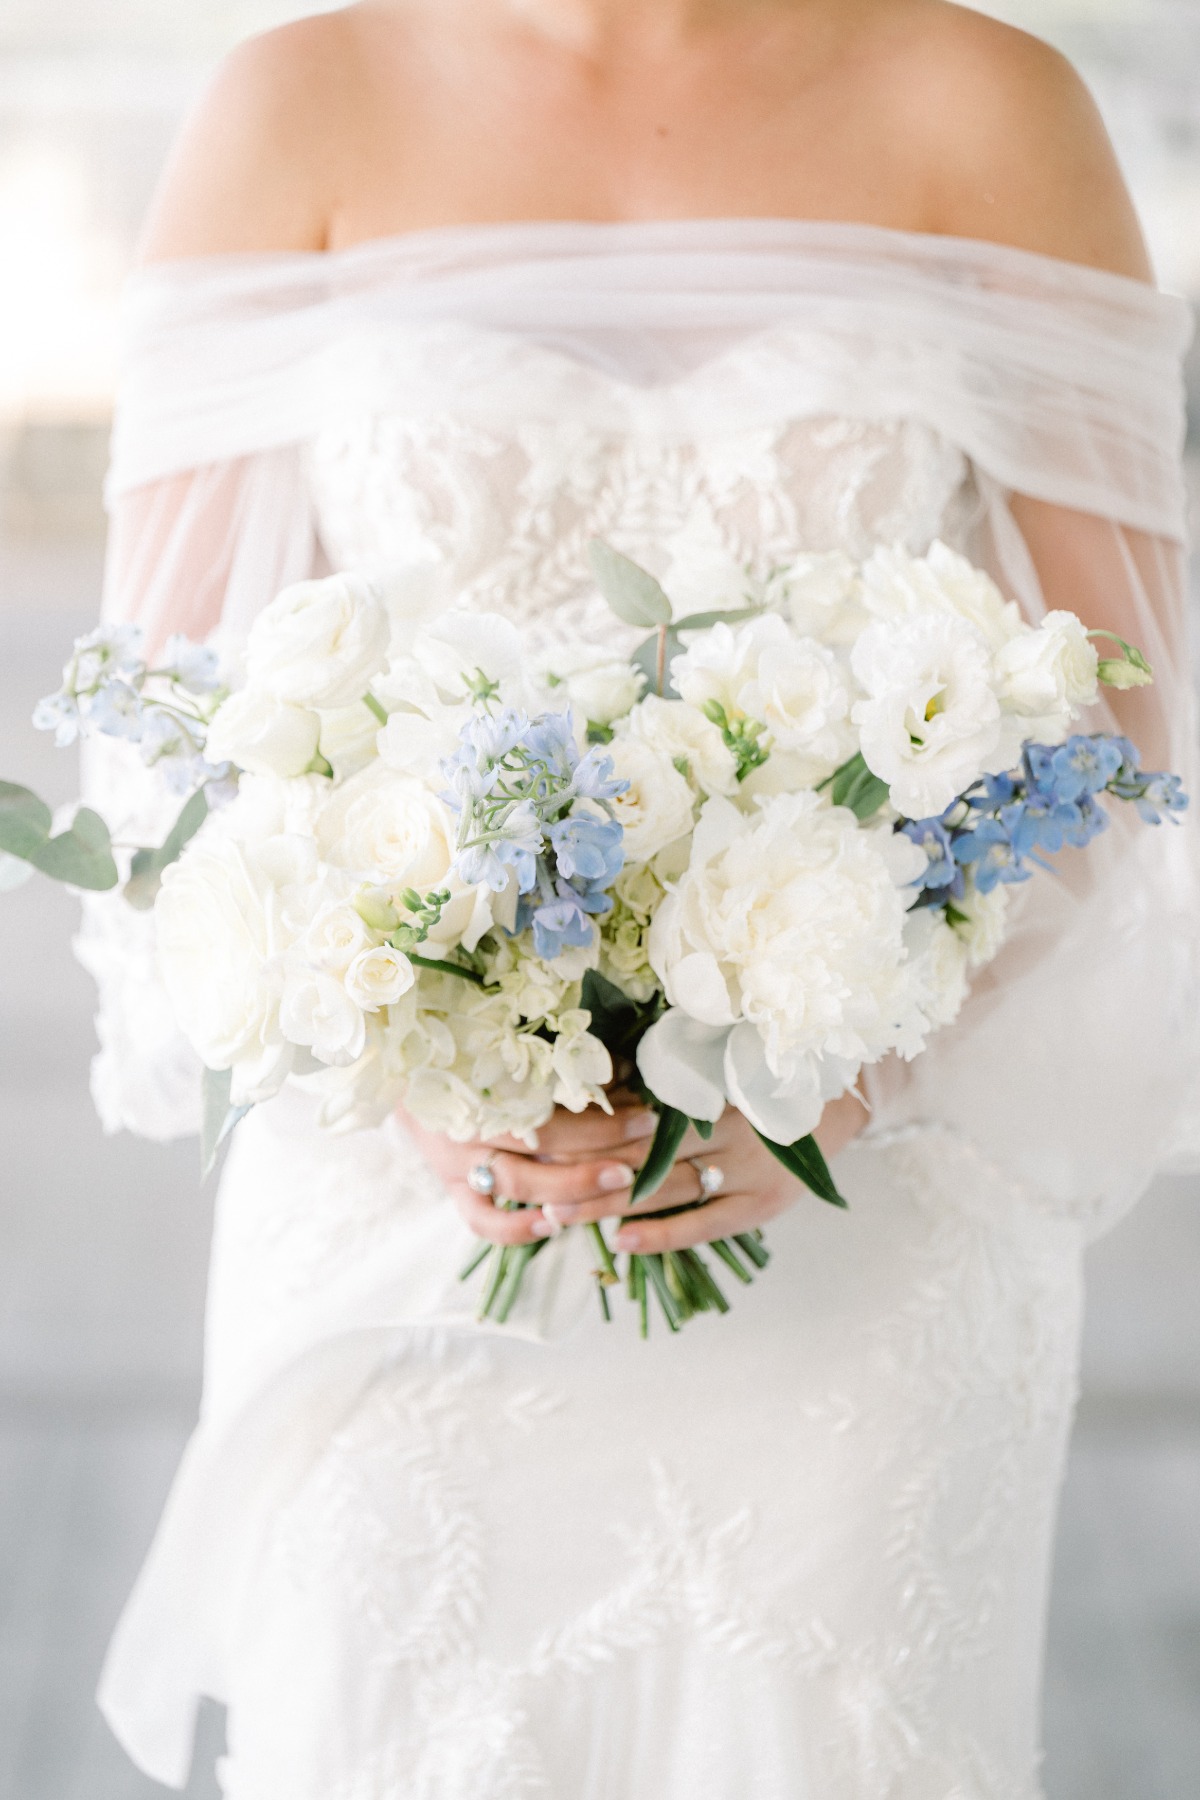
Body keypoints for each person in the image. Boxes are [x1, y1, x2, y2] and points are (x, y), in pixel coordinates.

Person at [86, 3, 1197, 1795]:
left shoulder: (991, 105)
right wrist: (403, 1053)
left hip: (863, 1237)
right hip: (410, 1218)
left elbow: (1122, 747)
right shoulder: (297, 103)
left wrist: (858, 1074)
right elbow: (167, 740)